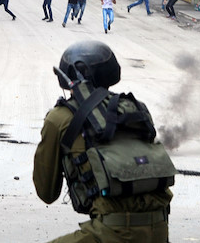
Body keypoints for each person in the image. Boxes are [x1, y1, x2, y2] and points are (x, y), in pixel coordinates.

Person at [33, 41, 174, 242]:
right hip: (159, 230)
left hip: (110, 233)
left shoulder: (60, 117)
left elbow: (47, 192)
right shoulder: (136, 109)